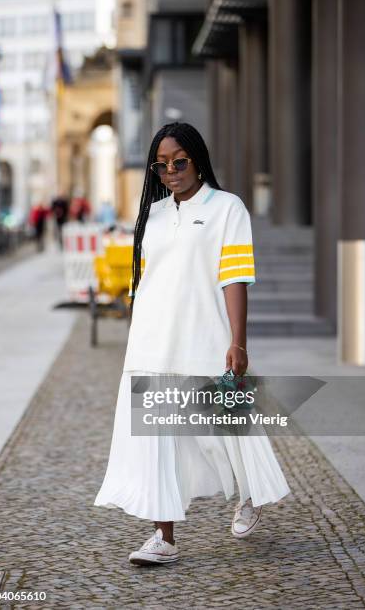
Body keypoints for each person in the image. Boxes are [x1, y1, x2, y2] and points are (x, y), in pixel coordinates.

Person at [94, 122, 291, 565]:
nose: (171, 171)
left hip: (205, 334)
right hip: (152, 340)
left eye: (179, 162)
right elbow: (144, 281)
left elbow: (234, 276)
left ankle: (250, 493)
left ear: (197, 159)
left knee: (225, 427)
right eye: (161, 165)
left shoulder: (227, 208)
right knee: (156, 438)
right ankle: (163, 536)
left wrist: (238, 341)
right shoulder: (154, 215)